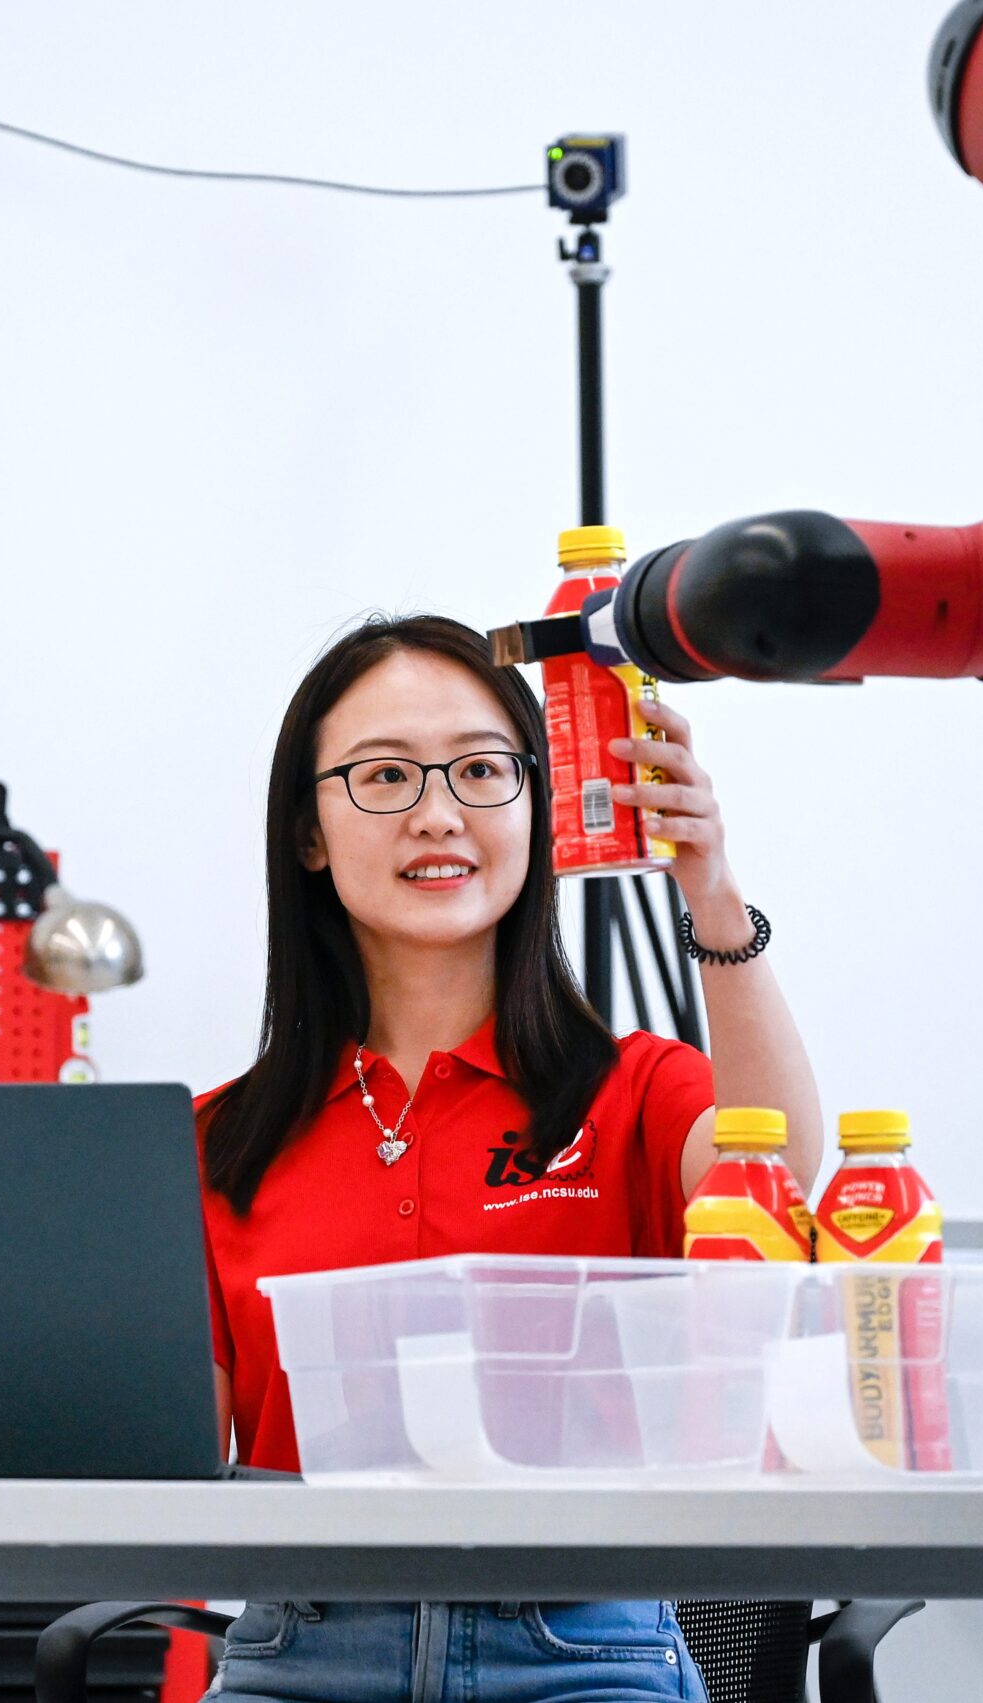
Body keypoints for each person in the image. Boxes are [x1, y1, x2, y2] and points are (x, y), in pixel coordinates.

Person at [198, 613, 819, 1703]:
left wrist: (710, 891)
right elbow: (164, 1476)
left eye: (482, 769)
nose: (438, 812)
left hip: (582, 1649)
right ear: (308, 829)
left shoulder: (633, 1089)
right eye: (384, 775)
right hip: (298, 1655)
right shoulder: (218, 1143)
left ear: (537, 799)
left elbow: (780, 1174)